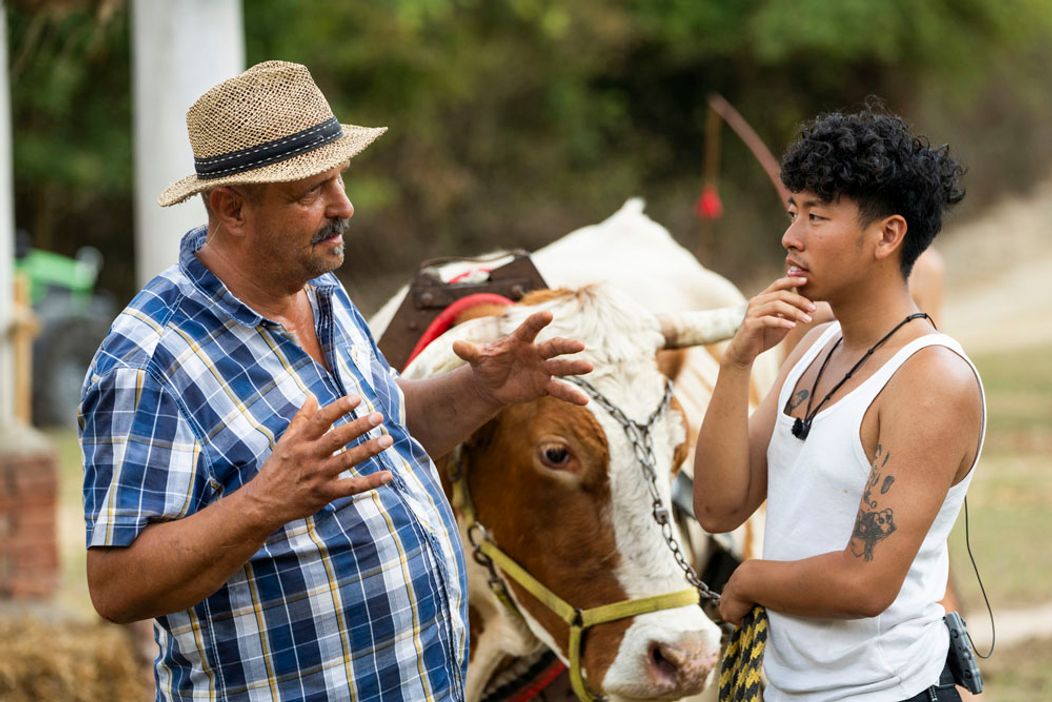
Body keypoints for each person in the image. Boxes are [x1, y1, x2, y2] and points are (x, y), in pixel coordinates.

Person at [78, 61, 593, 702]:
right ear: (231, 208)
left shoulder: (317, 289)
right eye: (310, 191)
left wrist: (483, 390)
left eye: (340, 177)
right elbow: (115, 586)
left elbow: (383, 430)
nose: (343, 206)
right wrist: (267, 501)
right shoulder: (148, 359)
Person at [693, 105, 983, 701]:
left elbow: (865, 583)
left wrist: (749, 579)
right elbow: (719, 509)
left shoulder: (931, 379)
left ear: (887, 235)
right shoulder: (813, 345)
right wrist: (737, 362)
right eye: (792, 211)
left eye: (816, 216)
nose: (790, 237)